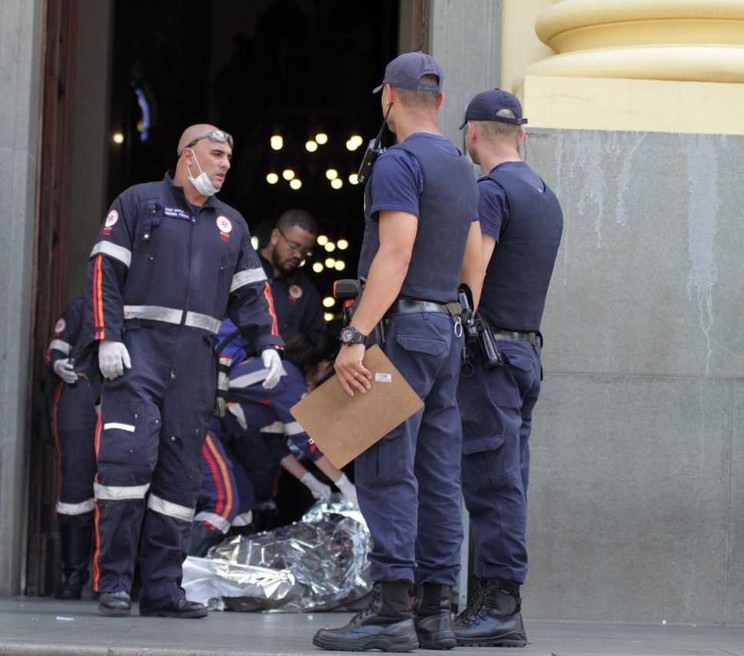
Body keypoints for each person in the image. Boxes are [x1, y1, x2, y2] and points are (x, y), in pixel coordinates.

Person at [312, 52, 484, 653]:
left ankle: (390, 612)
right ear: (438, 101)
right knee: (438, 474)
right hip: (444, 331)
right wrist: (458, 316)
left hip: (403, 333)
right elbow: (473, 261)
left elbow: (395, 253)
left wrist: (356, 336)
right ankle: (436, 613)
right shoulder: (463, 168)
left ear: (388, 97)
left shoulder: (398, 162)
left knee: (389, 470)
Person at [83, 124, 284, 619]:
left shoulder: (230, 224)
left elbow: (252, 294)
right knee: (125, 466)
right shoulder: (138, 202)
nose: (223, 165)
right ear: (186, 155)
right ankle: (113, 583)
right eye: (215, 154)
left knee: (180, 481)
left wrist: (268, 344)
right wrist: (108, 336)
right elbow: (104, 272)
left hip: (195, 360)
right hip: (138, 352)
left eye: (228, 159)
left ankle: (162, 591)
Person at [452, 89, 563, 647]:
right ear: (521, 133)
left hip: (492, 359)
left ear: (471, 134)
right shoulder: (545, 195)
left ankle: (497, 608)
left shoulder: (490, 192)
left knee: (493, 482)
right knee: (509, 477)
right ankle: (489, 604)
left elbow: (475, 271)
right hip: (526, 353)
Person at [190, 328, 356, 556]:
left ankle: (214, 567)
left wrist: (311, 481)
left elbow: (275, 444)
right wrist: (345, 484)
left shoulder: (281, 378)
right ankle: (181, 573)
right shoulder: (288, 379)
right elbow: (306, 440)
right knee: (223, 503)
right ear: (324, 366)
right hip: (200, 424)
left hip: (211, 427)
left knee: (243, 502)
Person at [44, 297, 98, 600]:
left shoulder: (140, 305)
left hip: (125, 398)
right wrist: (58, 363)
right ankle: (73, 575)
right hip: (81, 396)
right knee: (75, 490)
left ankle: (121, 579)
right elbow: (57, 348)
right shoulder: (81, 307)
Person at [258, 209, 326, 349]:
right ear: (275, 236)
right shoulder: (244, 268)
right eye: (294, 245)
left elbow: (316, 341)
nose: (298, 255)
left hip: (284, 366)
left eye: (305, 251)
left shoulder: (307, 292)